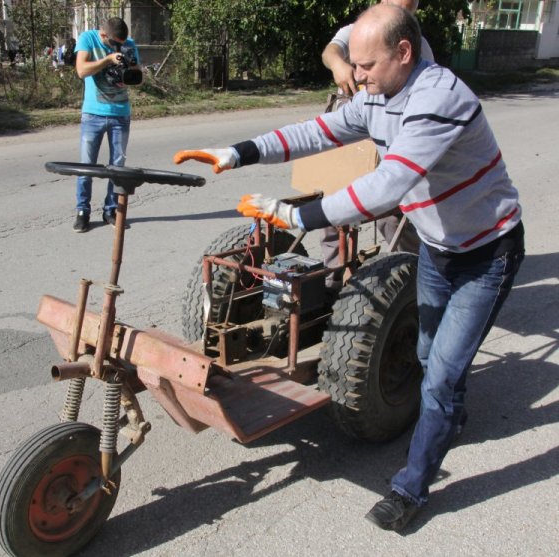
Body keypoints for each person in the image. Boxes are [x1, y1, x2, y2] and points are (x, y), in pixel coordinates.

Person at [173, 4, 525, 532]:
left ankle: (410, 491)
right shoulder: (381, 95)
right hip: (436, 246)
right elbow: (317, 131)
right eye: (352, 65)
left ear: (403, 53)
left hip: (485, 253)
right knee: (430, 356)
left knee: (440, 376)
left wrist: (294, 213)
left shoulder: (439, 98)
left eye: (363, 65)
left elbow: (386, 188)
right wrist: (237, 152)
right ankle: (449, 411)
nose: (354, 77)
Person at [321, 0, 434, 274]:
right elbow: (331, 51)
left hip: (393, 141)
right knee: (333, 210)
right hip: (354, 140)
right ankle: (333, 278)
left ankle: (412, 275)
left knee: (393, 215)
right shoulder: (361, 30)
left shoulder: (421, 46)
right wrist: (338, 65)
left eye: (407, 11)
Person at [72, 17, 141, 232]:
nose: (121, 46)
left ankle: (110, 210)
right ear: (104, 35)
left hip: (121, 115)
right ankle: (83, 211)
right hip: (93, 115)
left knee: (117, 167)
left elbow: (140, 76)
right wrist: (108, 60)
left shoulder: (128, 44)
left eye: (123, 42)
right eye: (115, 43)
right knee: (87, 166)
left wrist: (129, 74)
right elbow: (81, 70)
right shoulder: (88, 38)